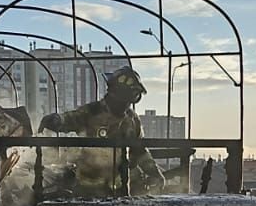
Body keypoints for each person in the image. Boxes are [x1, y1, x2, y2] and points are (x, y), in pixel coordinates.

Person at [39, 66, 166, 195]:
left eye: (128, 101)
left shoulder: (132, 119)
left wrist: (154, 173)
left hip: (124, 188)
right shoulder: (92, 112)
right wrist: (56, 120)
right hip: (90, 188)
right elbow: (70, 119)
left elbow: (139, 151)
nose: (124, 105)